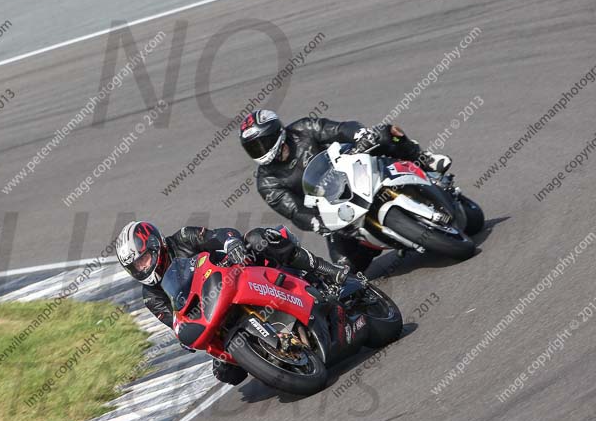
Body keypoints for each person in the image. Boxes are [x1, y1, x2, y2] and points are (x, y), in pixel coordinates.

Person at [115, 221, 348, 386]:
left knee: (258, 239)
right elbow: (175, 321)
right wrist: (183, 336)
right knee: (228, 374)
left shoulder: (183, 238)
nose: (143, 268)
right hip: (212, 314)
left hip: (234, 273)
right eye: (136, 266)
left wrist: (231, 244)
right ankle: (275, 355)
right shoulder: (151, 296)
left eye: (144, 259)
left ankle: (326, 270)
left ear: (156, 245)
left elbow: (219, 235)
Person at [239, 109, 451, 273]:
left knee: (385, 133)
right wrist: (317, 223)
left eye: (262, 142)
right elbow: (293, 210)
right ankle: (372, 243)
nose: (261, 150)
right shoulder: (266, 181)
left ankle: (425, 160)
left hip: (353, 170)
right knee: (345, 265)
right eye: (253, 147)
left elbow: (338, 129)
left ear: (277, 132)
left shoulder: (303, 128)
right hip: (335, 209)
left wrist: (359, 135)